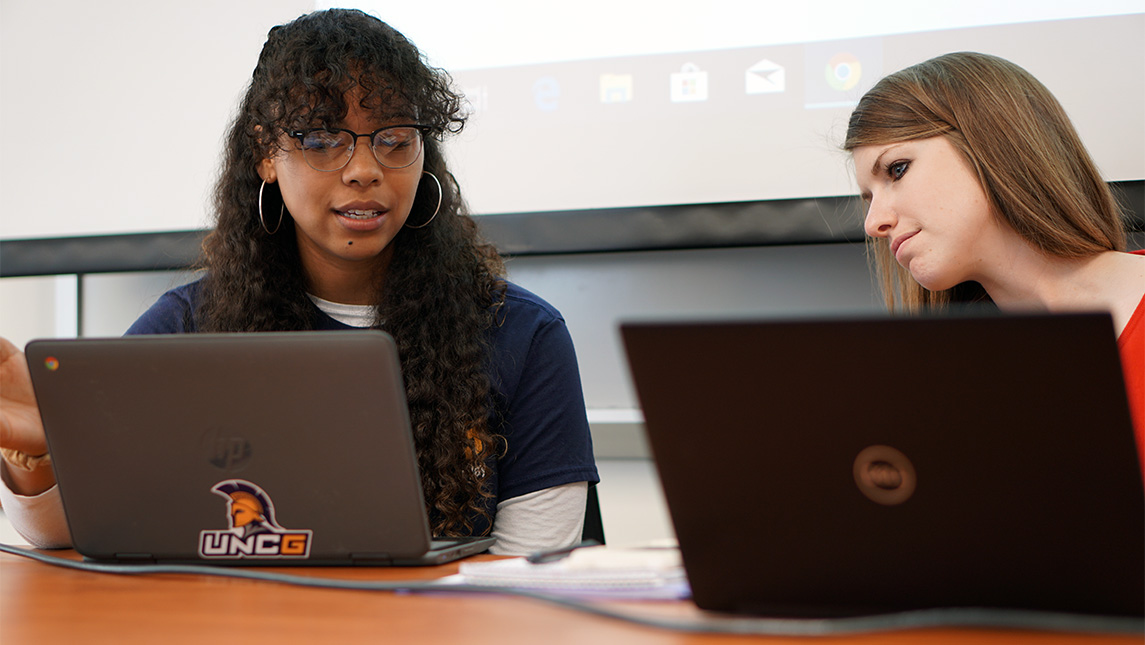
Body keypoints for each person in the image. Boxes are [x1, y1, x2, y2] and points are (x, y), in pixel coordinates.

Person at [0, 8, 598, 555]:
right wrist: (44, 455)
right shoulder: (187, 326)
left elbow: (535, 569)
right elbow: (68, 533)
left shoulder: (520, 333)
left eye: (394, 141)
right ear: (267, 154)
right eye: (321, 140)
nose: (365, 170)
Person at [843, 51, 1145, 472]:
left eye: (896, 170)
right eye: (869, 199)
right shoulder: (952, 388)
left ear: (993, 141)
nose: (875, 222)